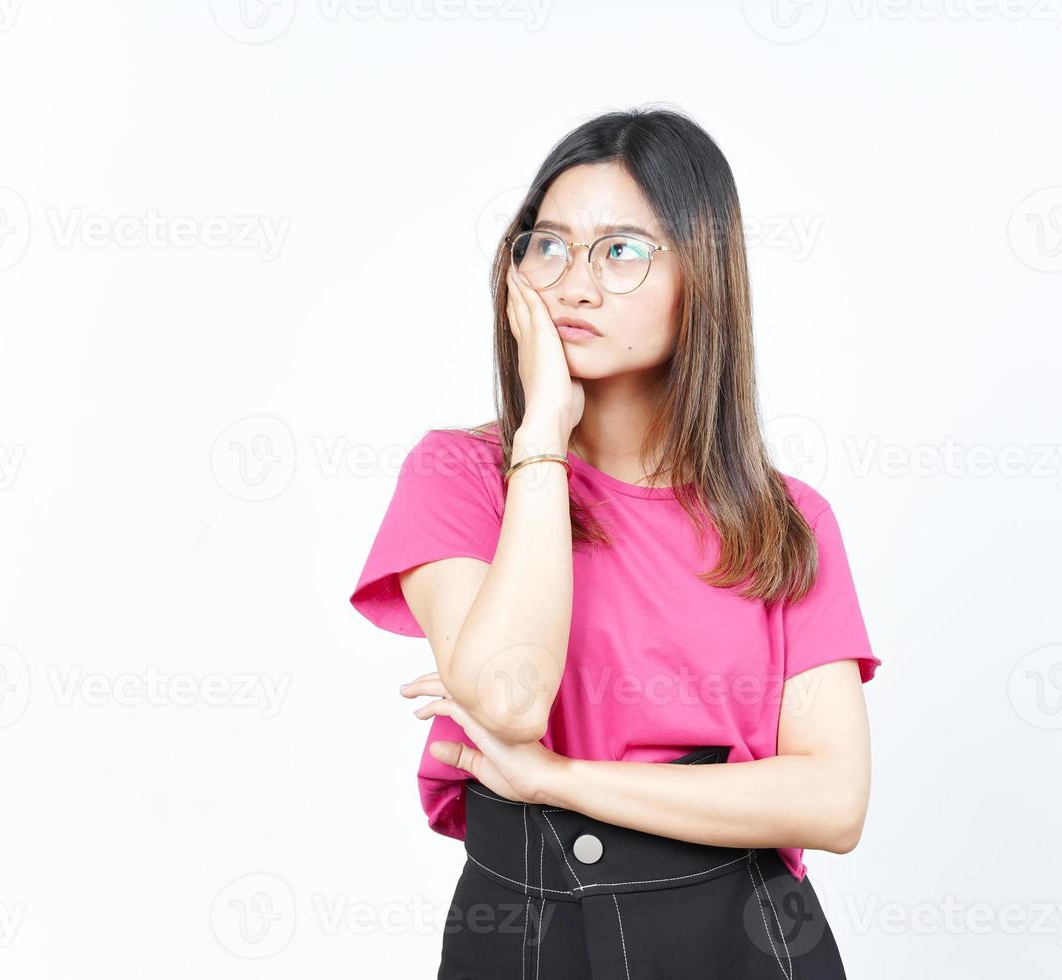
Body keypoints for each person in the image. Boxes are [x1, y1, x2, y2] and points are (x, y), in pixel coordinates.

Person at [350, 105, 881, 979]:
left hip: (741, 938)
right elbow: (510, 699)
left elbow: (833, 801)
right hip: (523, 929)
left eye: (622, 251)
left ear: (701, 276)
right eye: (546, 246)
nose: (574, 285)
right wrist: (545, 436)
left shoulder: (785, 520)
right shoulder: (460, 476)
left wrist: (559, 779)